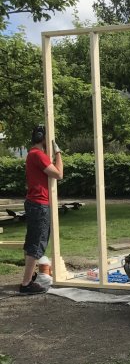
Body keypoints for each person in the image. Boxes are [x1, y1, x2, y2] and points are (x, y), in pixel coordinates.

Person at [20, 125, 63, 295]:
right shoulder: (38, 155)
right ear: (42, 138)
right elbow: (58, 174)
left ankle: (29, 278)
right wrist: (58, 153)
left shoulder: (33, 154)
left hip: (34, 203)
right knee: (37, 243)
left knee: (32, 241)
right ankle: (26, 284)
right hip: (39, 204)